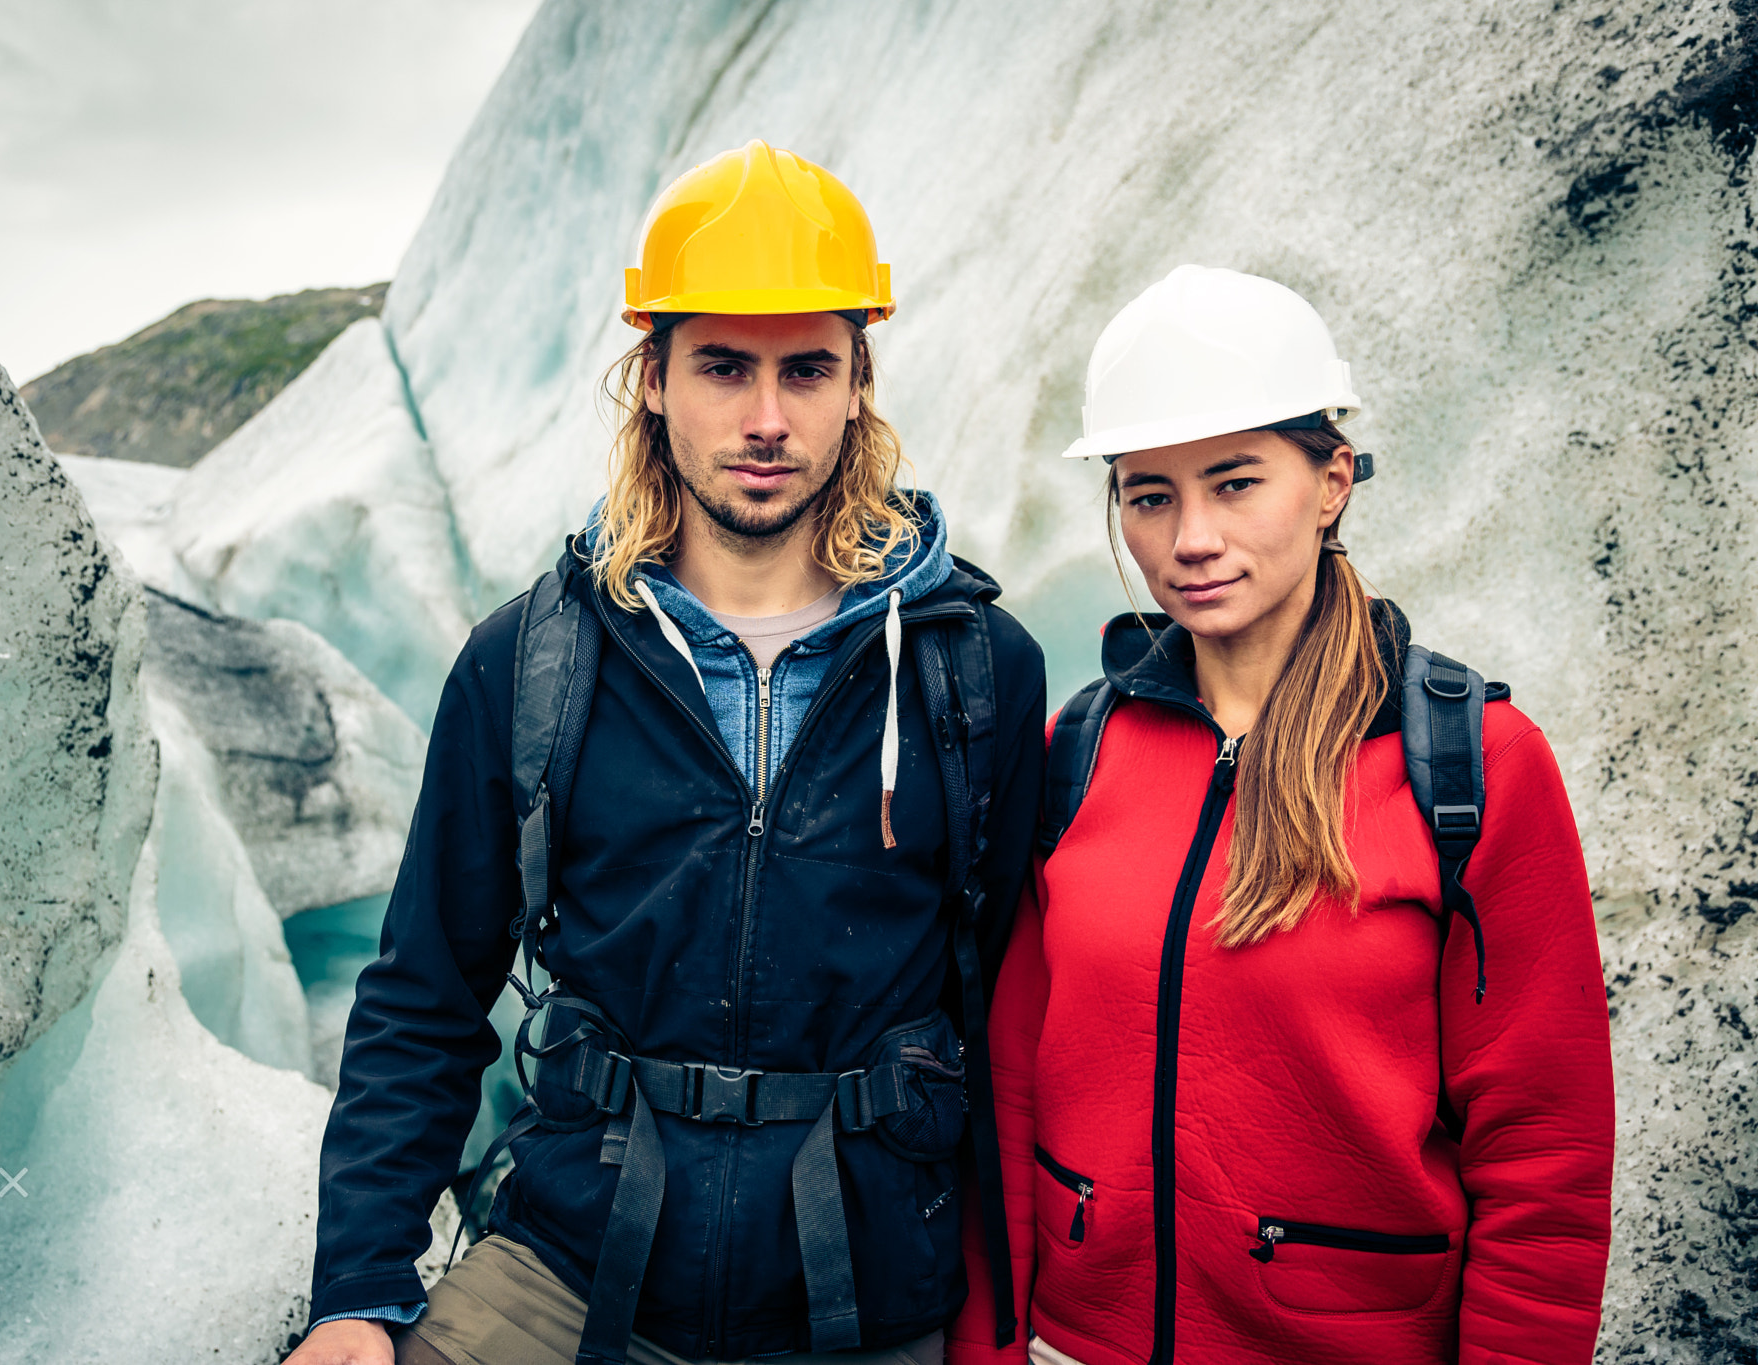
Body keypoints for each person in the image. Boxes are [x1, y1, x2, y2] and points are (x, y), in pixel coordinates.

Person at [294, 140, 1046, 1365]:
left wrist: (1001, 1316)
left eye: (806, 369)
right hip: (569, 1265)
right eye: (721, 367)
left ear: (858, 381)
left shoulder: (974, 669)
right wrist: (353, 1294)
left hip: (858, 1295)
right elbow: (425, 995)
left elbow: (1010, 1006)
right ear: (651, 378)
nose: (764, 419)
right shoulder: (531, 660)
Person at [947, 266, 1615, 1365]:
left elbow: (1541, 1159)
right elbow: (1011, 1083)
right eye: (1147, 494)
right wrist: (990, 1349)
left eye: (1234, 482)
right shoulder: (1079, 753)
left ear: (1331, 480)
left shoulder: (1474, 765)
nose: (1188, 538)